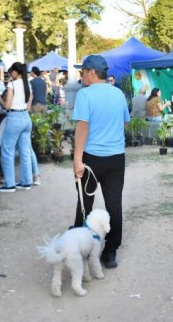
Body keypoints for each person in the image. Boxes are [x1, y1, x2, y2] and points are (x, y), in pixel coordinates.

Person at [72, 54, 130, 269]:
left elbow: (82, 128)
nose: (81, 76)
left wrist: (77, 159)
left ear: (91, 72)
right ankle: (111, 251)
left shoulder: (85, 95)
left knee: (85, 203)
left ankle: (80, 246)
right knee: (114, 204)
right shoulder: (119, 94)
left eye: (82, 72)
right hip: (116, 158)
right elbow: (124, 124)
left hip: (91, 159)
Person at [0, 62, 35, 192]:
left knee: (7, 151)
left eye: (10, 71)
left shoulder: (12, 84)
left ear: (16, 72)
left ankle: (9, 184)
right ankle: (26, 181)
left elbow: (7, 105)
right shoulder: (27, 84)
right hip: (26, 118)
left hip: (14, 118)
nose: (9, 74)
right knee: (25, 152)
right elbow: (28, 107)